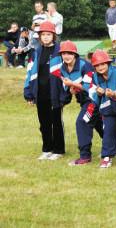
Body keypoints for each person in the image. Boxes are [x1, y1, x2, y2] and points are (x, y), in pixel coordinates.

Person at [57, 40, 104, 166]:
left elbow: (89, 86)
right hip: (83, 101)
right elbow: (67, 89)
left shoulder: (85, 66)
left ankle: (85, 156)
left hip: (93, 100)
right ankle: (113, 147)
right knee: (98, 123)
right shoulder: (62, 68)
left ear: (75, 54)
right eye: (64, 53)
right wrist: (65, 97)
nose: (66, 56)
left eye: (69, 53)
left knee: (82, 122)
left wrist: (72, 84)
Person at [24, 21, 65, 160]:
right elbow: (29, 73)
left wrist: (64, 94)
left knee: (56, 122)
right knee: (44, 123)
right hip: (40, 93)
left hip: (54, 94)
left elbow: (66, 74)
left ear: (53, 36)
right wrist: (28, 92)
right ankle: (47, 148)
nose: (46, 37)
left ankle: (58, 150)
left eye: (48, 34)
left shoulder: (60, 52)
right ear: (39, 37)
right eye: (43, 35)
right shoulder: (36, 52)